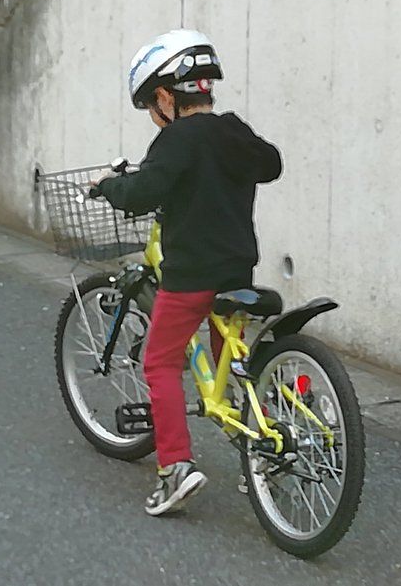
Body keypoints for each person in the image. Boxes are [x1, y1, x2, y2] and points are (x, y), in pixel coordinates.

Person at [93, 29, 282, 516]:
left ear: (163, 95)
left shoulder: (175, 140)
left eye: (149, 107)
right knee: (235, 364)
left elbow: (143, 192)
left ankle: (174, 467)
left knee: (159, 362)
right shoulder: (231, 129)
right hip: (237, 268)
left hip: (191, 274)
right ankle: (262, 457)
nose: (153, 117)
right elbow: (270, 165)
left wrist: (108, 186)